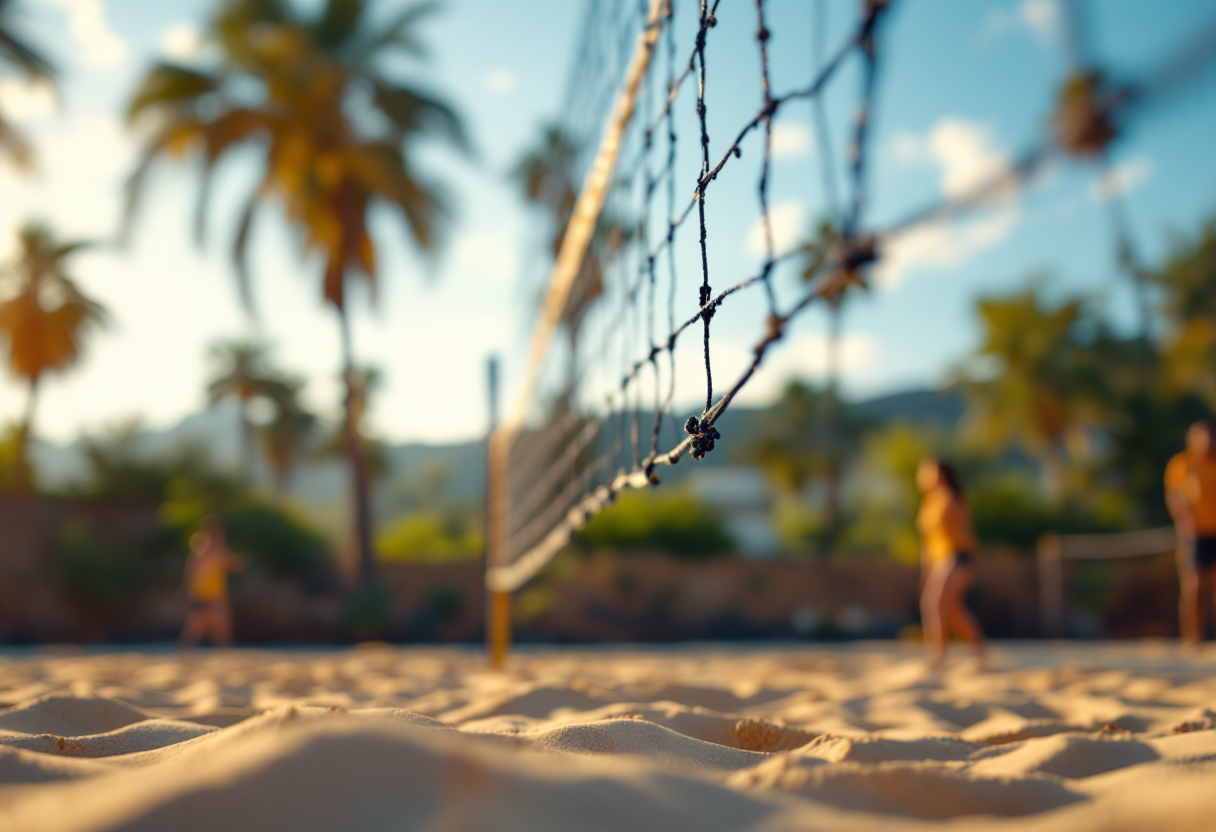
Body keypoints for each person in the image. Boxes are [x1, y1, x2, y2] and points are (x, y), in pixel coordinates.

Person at [916, 458, 985, 668]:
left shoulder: (952, 499)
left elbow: (965, 533)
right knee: (947, 608)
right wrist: (927, 570)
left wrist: (969, 562)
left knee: (939, 603)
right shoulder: (929, 502)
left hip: (958, 555)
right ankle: (978, 653)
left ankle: (940, 656)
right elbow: (928, 542)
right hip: (939, 559)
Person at [1165, 420, 1216, 646]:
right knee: (1193, 587)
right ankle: (1192, 636)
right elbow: (1174, 496)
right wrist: (1184, 522)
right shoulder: (1182, 463)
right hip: (1195, 535)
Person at [178, 516, 244, 648]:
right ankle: (184, 655)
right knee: (195, 632)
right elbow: (192, 575)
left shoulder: (213, 552)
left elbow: (232, 565)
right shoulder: (204, 552)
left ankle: (221, 657)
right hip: (203, 596)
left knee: (219, 632)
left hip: (213, 597)